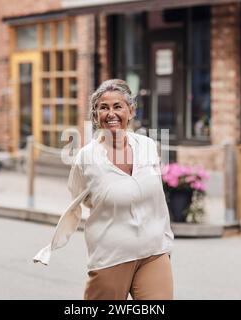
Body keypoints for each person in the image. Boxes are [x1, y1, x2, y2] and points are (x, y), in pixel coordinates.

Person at [33, 79, 174, 300]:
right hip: (112, 257)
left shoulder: (147, 146)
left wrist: (166, 242)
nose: (111, 113)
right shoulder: (87, 157)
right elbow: (79, 197)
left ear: (131, 110)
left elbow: (158, 201)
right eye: (103, 107)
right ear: (96, 115)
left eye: (118, 106)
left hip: (153, 254)